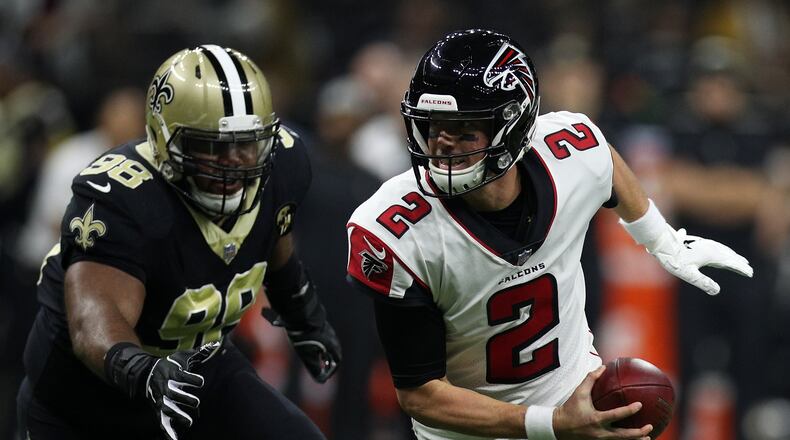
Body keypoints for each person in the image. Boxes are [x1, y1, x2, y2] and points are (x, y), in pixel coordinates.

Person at [345, 29, 753, 440]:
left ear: (513, 126)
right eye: (434, 127)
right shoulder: (396, 230)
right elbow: (420, 395)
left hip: (573, 394)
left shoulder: (569, 152)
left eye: (465, 129)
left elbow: (606, 161)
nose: (443, 146)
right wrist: (551, 425)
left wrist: (662, 240)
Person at [16, 45, 341, 440]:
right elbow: (93, 323)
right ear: (164, 139)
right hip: (86, 400)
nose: (236, 160)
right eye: (214, 146)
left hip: (197, 371)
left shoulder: (282, 165)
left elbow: (274, 238)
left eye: (247, 143)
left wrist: (301, 308)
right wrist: (145, 370)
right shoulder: (123, 197)